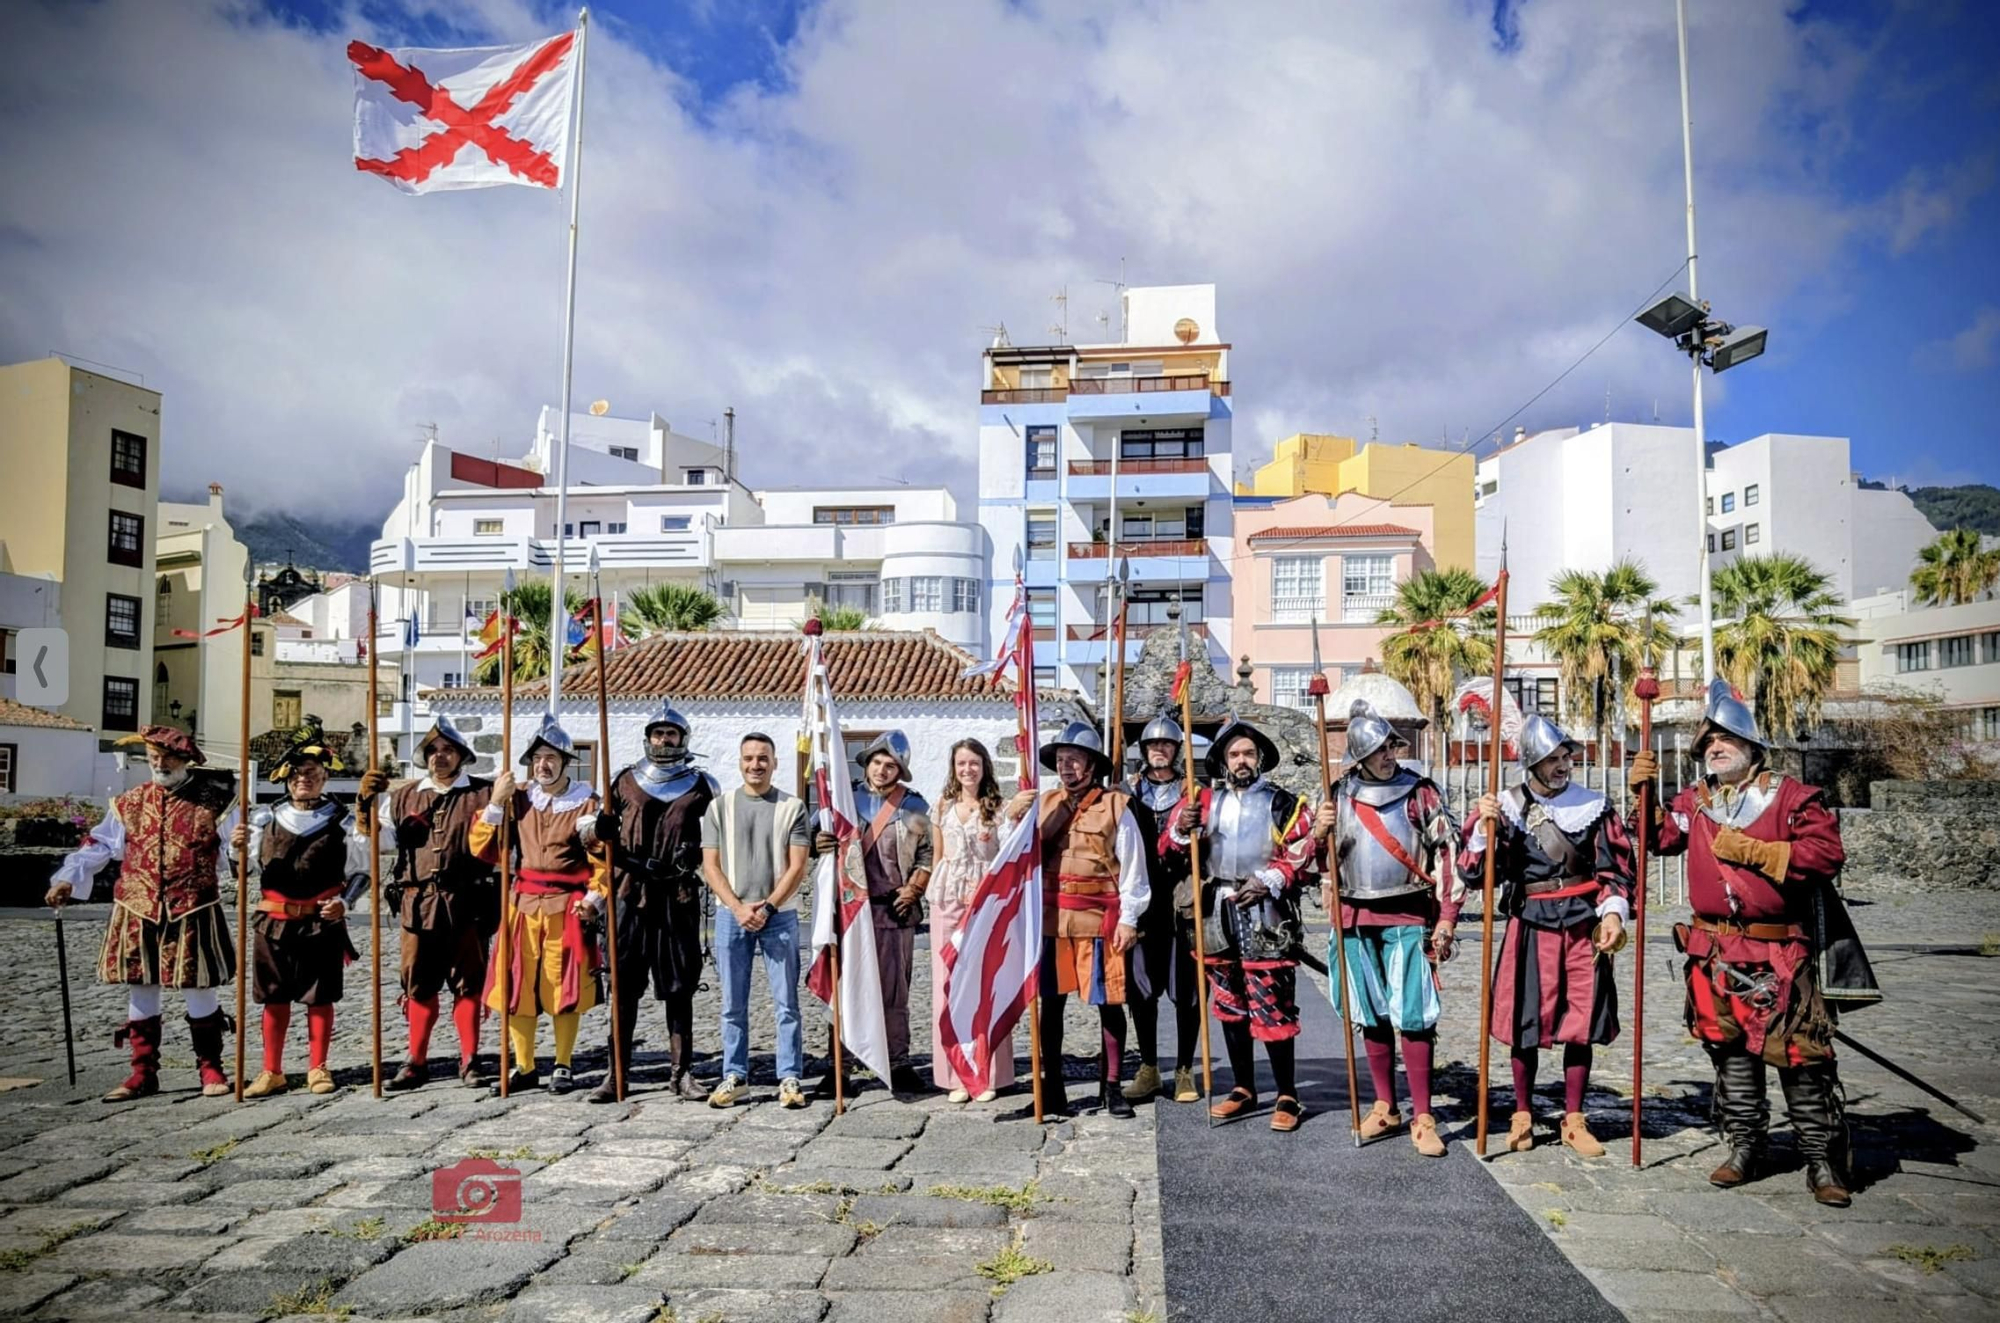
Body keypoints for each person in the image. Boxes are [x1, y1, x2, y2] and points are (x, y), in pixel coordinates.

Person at [1628, 680, 1858, 1206]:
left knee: (1800, 1055)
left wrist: (1760, 852)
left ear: (1753, 748)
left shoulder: (1793, 797)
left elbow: (1826, 856)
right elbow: (1655, 840)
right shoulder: (1695, 801)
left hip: (1779, 950)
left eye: (1725, 739)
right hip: (1713, 953)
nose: (1715, 748)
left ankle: (1822, 1160)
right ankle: (1745, 1147)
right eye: (1708, 744)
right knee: (1730, 1053)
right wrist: (1642, 796)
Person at [1461, 713, 1635, 1157]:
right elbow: (1475, 874)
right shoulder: (1505, 807)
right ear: (1532, 764)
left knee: (1581, 1024)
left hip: (1582, 923)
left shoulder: (1594, 806)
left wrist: (1613, 913)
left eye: (1566, 757)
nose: (1563, 765)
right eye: (1552, 759)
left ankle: (1573, 1118)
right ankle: (1521, 1112)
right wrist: (1485, 832)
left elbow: (1615, 870)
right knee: (1526, 1022)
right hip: (1531, 924)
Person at [45, 725, 238, 1101]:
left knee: (198, 984)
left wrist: (244, 850)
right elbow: (99, 843)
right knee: (141, 984)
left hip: (192, 904)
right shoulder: (129, 802)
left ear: (185, 760)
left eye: (167, 757)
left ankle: (210, 1067)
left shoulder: (215, 802)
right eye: (153, 758)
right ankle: (142, 1072)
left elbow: (238, 849)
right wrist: (69, 877)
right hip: (138, 905)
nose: (160, 764)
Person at [1311, 701, 1462, 1157]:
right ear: (1360, 755)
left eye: (1391, 746)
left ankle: (1423, 1115)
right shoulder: (1337, 795)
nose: (1388, 755)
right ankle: (1385, 1105)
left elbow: (1449, 855)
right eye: (1378, 749)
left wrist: (1449, 919)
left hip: (1408, 913)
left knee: (1414, 1016)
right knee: (1371, 1013)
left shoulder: (1421, 793)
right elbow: (1313, 863)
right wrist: (1318, 834)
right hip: (1355, 916)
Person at [1166, 716, 1315, 1132]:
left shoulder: (1283, 802)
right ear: (1223, 760)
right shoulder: (1202, 800)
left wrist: (1272, 878)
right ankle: (1243, 1087)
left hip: (1266, 911)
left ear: (1261, 757)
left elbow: (1305, 852)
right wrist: (1182, 828)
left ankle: (1287, 1093)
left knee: (1272, 1005)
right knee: (1230, 1006)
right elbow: (1168, 848)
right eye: (1234, 754)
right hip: (1215, 909)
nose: (1242, 759)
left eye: (1249, 752)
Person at [1004, 721, 1151, 1120]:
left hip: (1099, 922)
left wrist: (1129, 918)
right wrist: (1015, 818)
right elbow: (1016, 857)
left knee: (1109, 1005)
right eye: (1062, 760)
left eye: (1075, 760)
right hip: (1051, 923)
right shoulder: (1043, 803)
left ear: (1091, 765)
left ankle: (1112, 1087)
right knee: (1050, 1008)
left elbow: (1134, 868)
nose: (1067, 767)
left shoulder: (1116, 806)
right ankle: (1052, 1090)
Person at [471, 713, 611, 1094]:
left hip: (567, 907)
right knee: (517, 986)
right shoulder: (518, 800)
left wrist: (594, 900)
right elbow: (482, 848)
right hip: (522, 905)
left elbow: (602, 861)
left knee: (562, 987)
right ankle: (525, 1065)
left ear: (566, 761)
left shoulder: (587, 804)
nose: (543, 765)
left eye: (550, 757)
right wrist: (497, 803)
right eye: (537, 758)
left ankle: (563, 1063)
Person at [358, 713, 497, 1090]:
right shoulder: (405, 796)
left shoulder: (483, 793)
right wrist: (366, 804)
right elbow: (380, 841)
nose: (439, 756)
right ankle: (416, 1060)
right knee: (418, 982)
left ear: (461, 755)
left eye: (447, 749)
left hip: (467, 900)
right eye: (432, 750)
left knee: (468, 983)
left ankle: (470, 1060)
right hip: (416, 902)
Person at [589, 701, 719, 1104]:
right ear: (648, 738)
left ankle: (681, 1074)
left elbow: (718, 840)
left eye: (672, 734)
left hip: (676, 896)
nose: (665, 739)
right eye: (658, 733)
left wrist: (692, 855)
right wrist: (601, 830)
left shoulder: (702, 785)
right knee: (624, 986)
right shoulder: (623, 781)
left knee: (679, 987)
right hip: (629, 892)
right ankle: (617, 1075)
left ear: (684, 739)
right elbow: (593, 842)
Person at [232, 721, 371, 1097]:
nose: (303, 779)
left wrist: (344, 903)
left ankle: (318, 1068)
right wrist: (237, 848)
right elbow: (243, 871)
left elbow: (362, 872)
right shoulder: (262, 820)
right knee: (273, 996)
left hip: (320, 923)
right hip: (272, 921)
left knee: (319, 997)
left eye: (311, 773)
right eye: (296, 773)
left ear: (325, 776)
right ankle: (271, 1070)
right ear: (285, 778)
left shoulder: (342, 822)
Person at [814, 730, 932, 1096]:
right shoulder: (841, 801)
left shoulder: (913, 807)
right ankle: (840, 1066)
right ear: (868, 763)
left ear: (899, 770)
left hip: (893, 911)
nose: (882, 770)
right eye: (878, 762)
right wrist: (819, 840)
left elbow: (928, 854)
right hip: (851, 911)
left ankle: (898, 1062)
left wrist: (914, 888)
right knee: (846, 990)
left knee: (894, 995)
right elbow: (811, 836)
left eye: (890, 765)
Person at [701, 732, 811, 1108]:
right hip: (732, 916)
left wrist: (767, 907)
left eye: (763, 758)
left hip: (779, 917)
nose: (755, 765)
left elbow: (797, 866)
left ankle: (790, 1077)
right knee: (733, 1002)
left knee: (786, 1002)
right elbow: (710, 866)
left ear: (774, 762)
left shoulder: (792, 807)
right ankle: (735, 1075)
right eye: (749, 758)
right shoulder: (719, 808)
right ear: (740, 761)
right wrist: (737, 907)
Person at [1120, 714, 1200, 1105]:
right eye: (1153, 746)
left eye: (1166, 745)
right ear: (1143, 751)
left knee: (1186, 991)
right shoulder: (1127, 792)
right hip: (1142, 902)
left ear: (1177, 750)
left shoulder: (1194, 792)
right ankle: (1149, 1066)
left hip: (1183, 900)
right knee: (1141, 990)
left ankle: (1185, 1068)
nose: (1159, 751)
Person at [930, 738, 1014, 1102]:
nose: (968, 770)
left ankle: (989, 1072)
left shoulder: (998, 807)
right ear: (954, 767)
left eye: (974, 763)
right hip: (947, 900)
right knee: (947, 986)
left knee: (985, 986)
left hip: (984, 903)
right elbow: (938, 855)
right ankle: (954, 1076)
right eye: (962, 763)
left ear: (984, 767)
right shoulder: (943, 806)